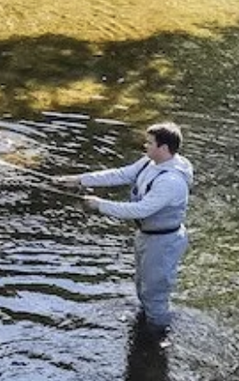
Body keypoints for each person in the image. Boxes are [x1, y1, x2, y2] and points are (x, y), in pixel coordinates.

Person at [65, 122, 195, 332]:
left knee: (155, 293)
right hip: (147, 235)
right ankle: (146, 325)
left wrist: (99, 205)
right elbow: (121, 174)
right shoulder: (150, 163)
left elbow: (140, 210)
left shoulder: (170, 182)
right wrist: (80, 180)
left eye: (150, 143)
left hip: (163, 242)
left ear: (163, 148)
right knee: (142, 287)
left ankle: (157, 338)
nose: (145, 146)